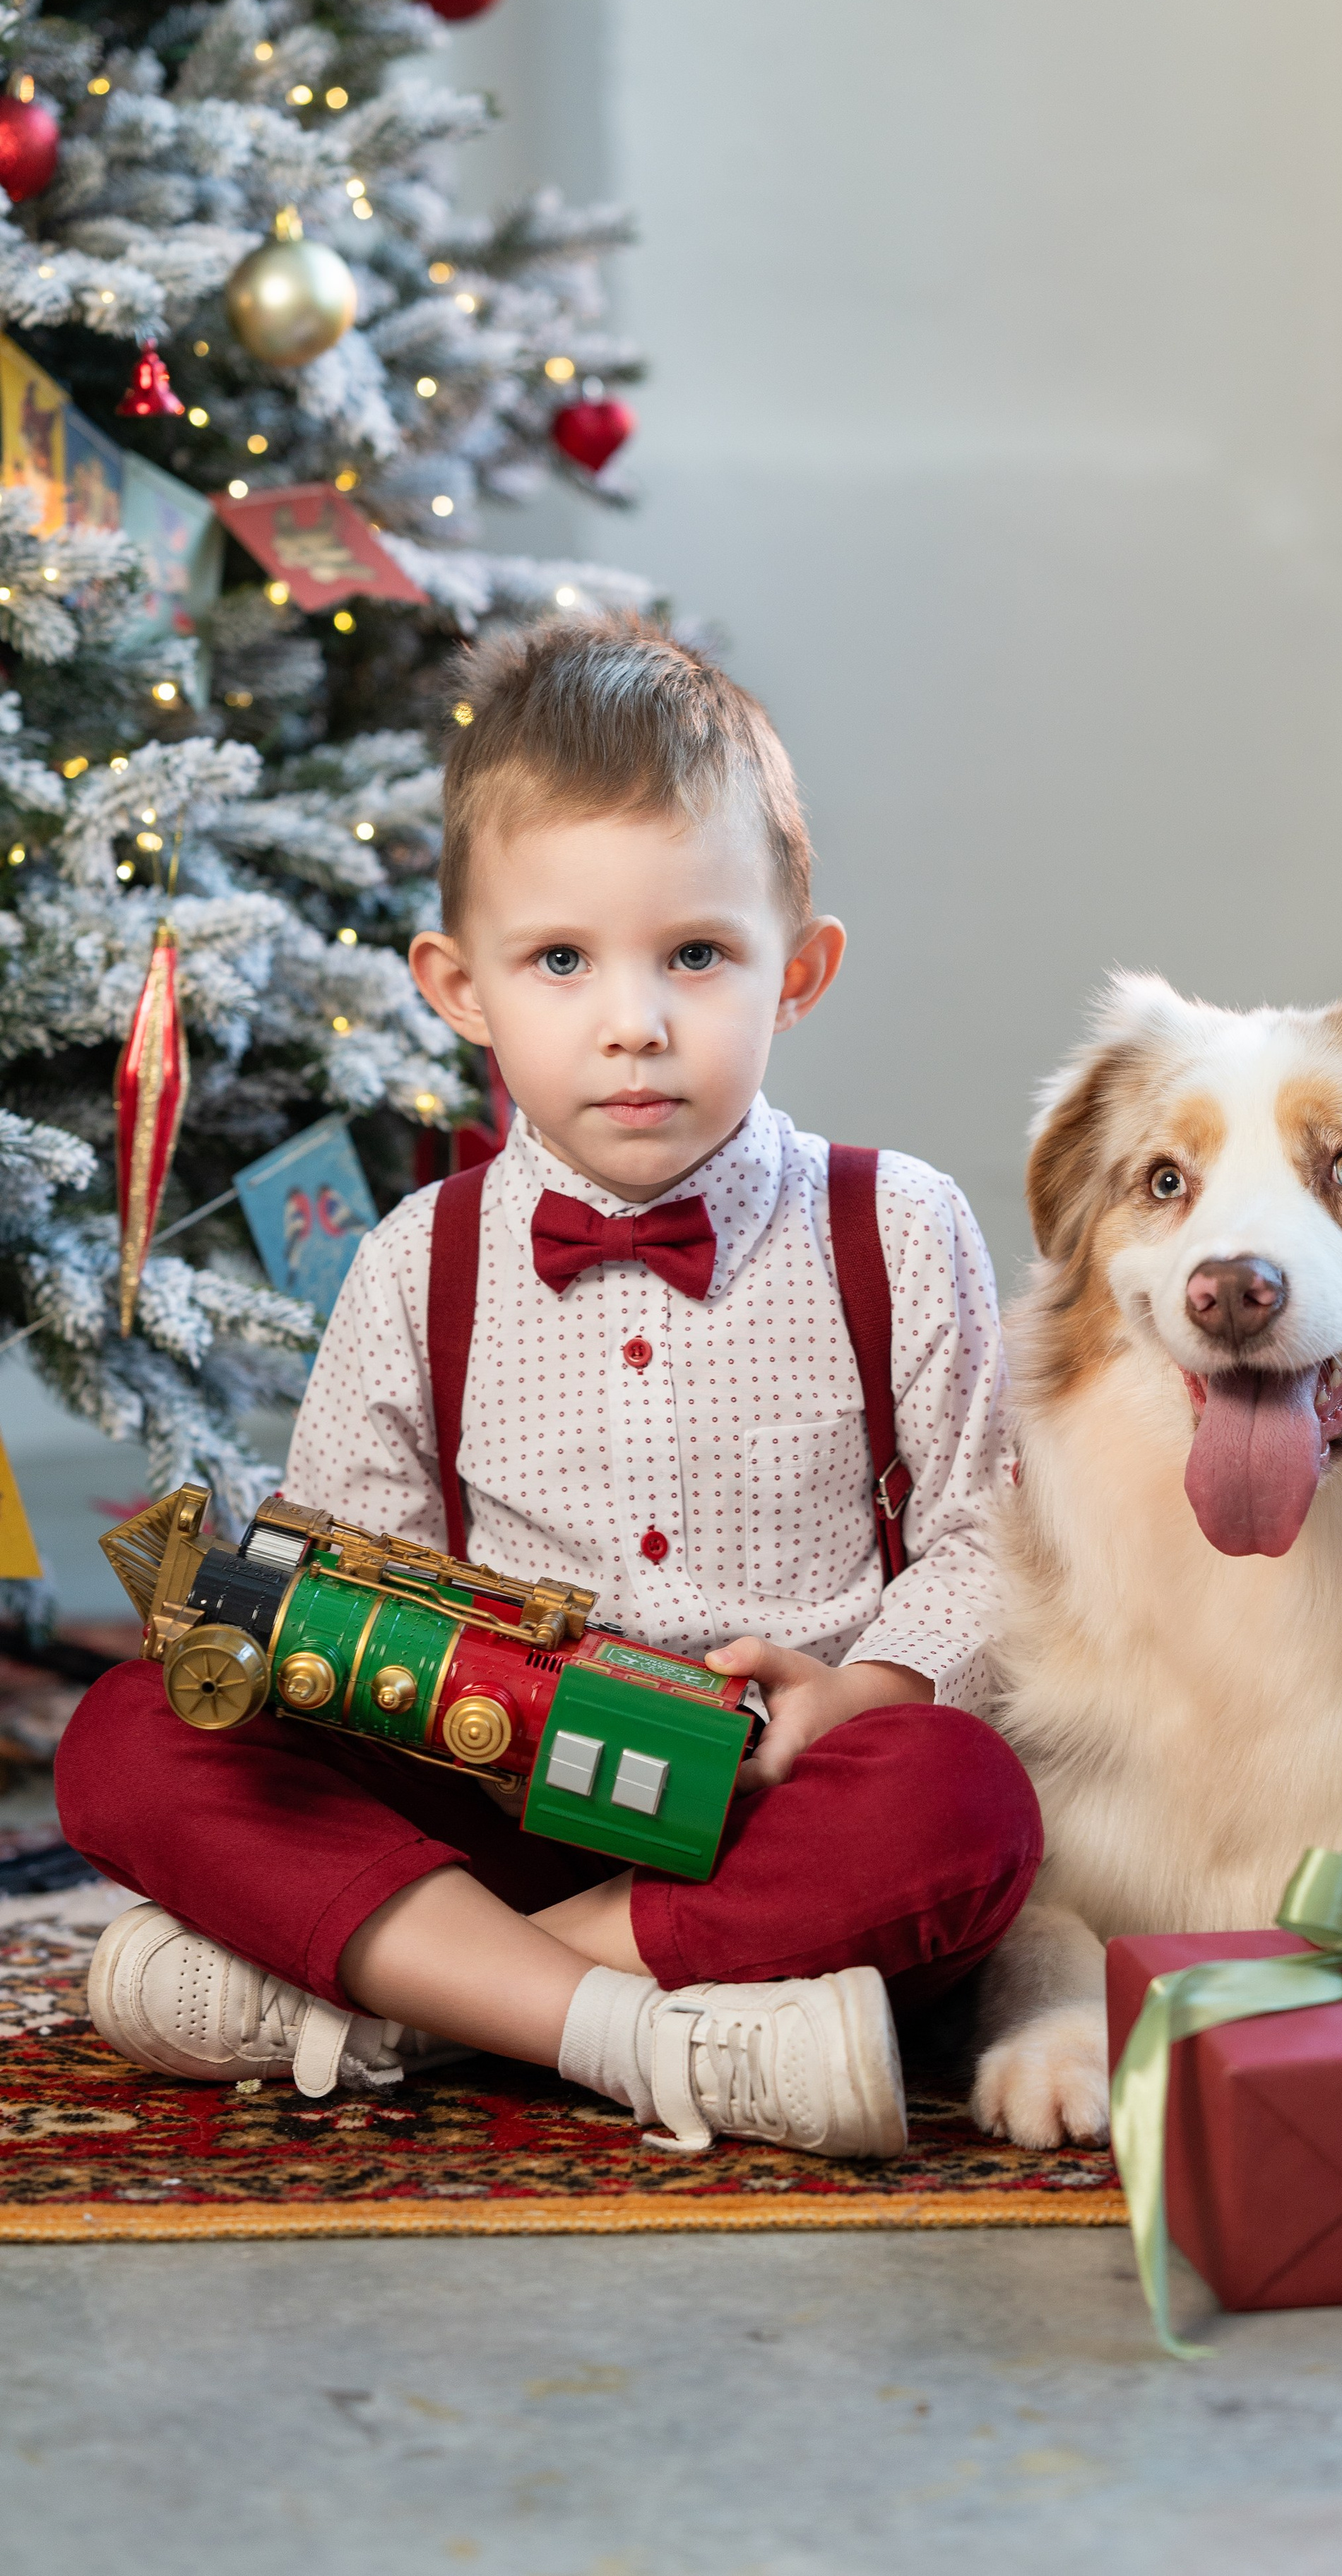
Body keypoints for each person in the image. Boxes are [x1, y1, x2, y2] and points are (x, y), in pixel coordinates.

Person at [59, 613, 1040, 2157]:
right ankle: (639, 2030)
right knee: (129, 1736)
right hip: (492, 1802)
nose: (633, 1021)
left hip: (770, 1800)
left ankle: (411, 2004)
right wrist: (337, 1648)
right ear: (458, 985)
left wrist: (863, 1688)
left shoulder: (896, 1226)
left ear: (800, 972)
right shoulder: (413, 1261)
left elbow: (996, 1538)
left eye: (697, 955)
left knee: (961, 1801)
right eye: (562, 960)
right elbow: (338, 1573)